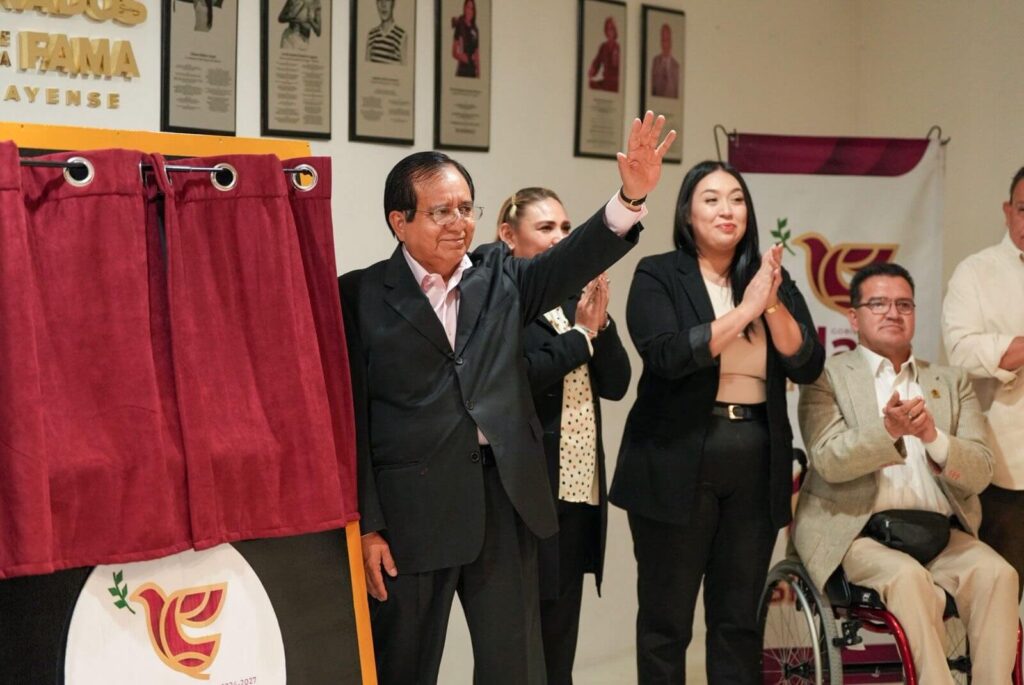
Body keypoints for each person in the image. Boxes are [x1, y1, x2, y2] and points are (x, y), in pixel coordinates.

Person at [340, 113, 676, 685]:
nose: (459, 223)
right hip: (410, 513)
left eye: (466, 208)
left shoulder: (502, 280)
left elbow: (575, 257)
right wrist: (366, 526)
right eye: (441, 211)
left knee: (515, 669)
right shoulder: (361, 295)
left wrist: (630, 198)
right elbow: (352, 420)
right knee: (403, 668)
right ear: (400, 221)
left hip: (503, 501)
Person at [609, 160, 824, 683]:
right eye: (711, 199)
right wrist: (744, 312)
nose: (727, 210)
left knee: (737, 622)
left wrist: (769, 303)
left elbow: (806, 363)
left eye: (737, 199)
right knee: (666, 622)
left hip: (755, 455)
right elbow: (666, 355)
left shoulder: (770, 279)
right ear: (687, 213)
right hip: (678, 455)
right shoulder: (659, 273)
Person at [795, 262, 1019, 683]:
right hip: (857, 532)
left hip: (939, 533)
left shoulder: (951, 382)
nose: (892, 313)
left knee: (999, 574)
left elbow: (980, 471)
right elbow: (828, 459)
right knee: (910, 579)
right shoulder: (828, 378)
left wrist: (933, 437)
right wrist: (888, 432)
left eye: (904, 304)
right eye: (878, 303)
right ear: (854, 317)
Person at [497, 188, 631, 685]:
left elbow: (617, 384)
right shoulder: (503, 300)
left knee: (559, 644)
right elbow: (517, 381)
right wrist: (580, 337)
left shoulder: (577, 300)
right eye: (545, 228)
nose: (560, 238)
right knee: (519, 648)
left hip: (578, 492)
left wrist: (601, 324)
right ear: (509, 236)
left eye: (566, 228)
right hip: (528, 496)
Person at [942, 166, 1024, 599]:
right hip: (1007, 466)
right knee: (1000, 604)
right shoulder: (975, 273)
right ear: (1008, 211)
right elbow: (961, 352)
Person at [366, 0, 406, 65]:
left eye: (387, 0)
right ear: (376, 4)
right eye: (380, 0)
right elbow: (367, 67)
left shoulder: (402, 36)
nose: (383, 5)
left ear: (393, 4)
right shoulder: (371, 35)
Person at [588, 17, 620, 92]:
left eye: (612, 28)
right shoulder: (603, 47)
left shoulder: (618, 48)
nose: (610, 31)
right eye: (608, 29)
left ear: (615, 30)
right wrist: (592, 70)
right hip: (606, 81)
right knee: (590, 84)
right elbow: (597, 62)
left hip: (615, 84)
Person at [451, 0, 480, 78]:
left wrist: (478, 72)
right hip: (462, 70)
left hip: (472, 71)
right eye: (468, 7)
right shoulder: (460, 25)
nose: (469, 11)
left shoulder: (475, 29)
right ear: (464, 8)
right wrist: (465, 58)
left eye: (472, 8)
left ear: (474, 11)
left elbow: (477, 53)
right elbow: (454, 52)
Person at [650, 23, 679, 99]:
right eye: (663, 40)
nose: (665, 44)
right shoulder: (655, 62)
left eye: (667, 40)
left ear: (671, 42)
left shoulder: (676, 66)